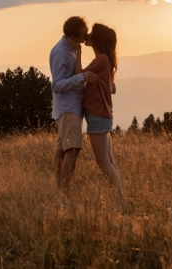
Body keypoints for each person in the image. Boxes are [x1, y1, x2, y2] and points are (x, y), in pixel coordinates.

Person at [76, 23, 126, 208]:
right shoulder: (106, 60)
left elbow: (77, 75)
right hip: (104, 115)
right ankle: (120, 200)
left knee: (103, 161)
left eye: (91, 34)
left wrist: (78, 52)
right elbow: (112, 88)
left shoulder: (101, 60)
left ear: (98, 39)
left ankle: (120, 201)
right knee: (109, 160)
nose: (87, 35)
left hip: (97, 115)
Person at [51, 16, 97, 198]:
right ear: (72, 37)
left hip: (69, 108)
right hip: (68, 108)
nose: (86, 39)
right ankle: (64, 193)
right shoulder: (62, 53)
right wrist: (81, 78)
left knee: (62, 150)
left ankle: (59, 191)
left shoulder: (70, 49)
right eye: (83, 36)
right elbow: (56, 85)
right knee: (73, 149)